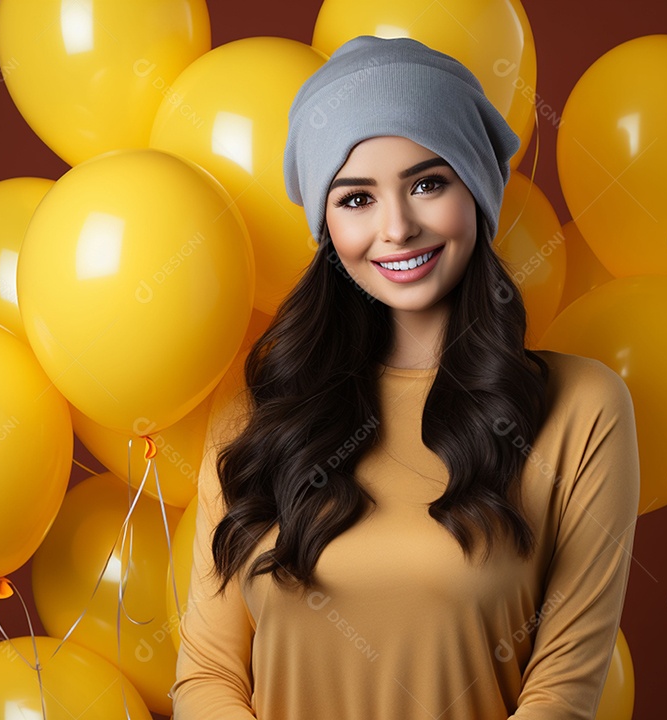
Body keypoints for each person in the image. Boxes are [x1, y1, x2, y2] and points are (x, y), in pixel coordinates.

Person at [170, 35, 640, 720]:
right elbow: (208, 676)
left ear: (476, 191)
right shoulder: (257, 415)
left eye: (427, 184)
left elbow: (561, 693)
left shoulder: (582, 408)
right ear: (326, 226)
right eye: (356, 199)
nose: (397, 228)